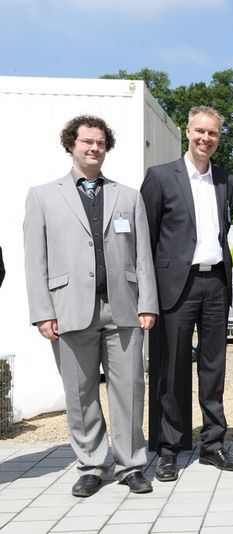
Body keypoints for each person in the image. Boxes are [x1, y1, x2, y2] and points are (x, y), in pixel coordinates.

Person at [23, 115, 157, 496]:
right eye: (87, 142)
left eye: (100, 142)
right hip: (68, 310)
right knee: (80, 393)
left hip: (124, 308)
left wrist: (148, 303)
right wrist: (43, 312)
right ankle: (92, 465)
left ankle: (131, 464)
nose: (94, 148)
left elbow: (142, 255)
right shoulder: (43, 196)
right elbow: (35, 260)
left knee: (130, 389)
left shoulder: (128, 196)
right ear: (71, 144)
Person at [141, 105, 233, 481]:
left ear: (218, 138)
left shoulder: (226, 181)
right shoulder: (160, 177)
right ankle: (170, 447)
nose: (206, 138)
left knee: (214, 368)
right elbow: (146, 242)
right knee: (173, 369)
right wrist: (147, 297)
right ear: (188, 132)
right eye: (200, 131)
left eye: (213, 133)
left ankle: (213, 443)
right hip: (174, 288)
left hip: (215, 283)